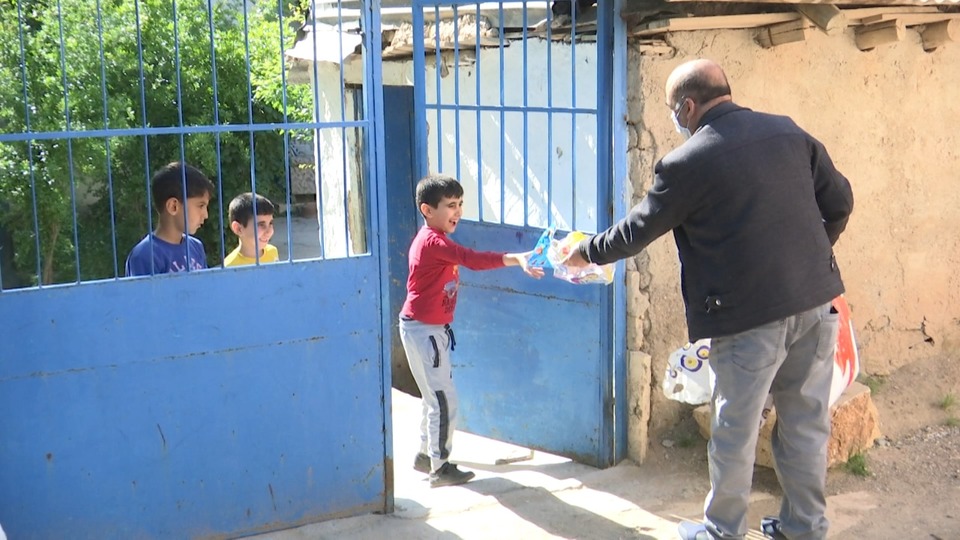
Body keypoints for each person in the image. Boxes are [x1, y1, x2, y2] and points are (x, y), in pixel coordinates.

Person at [563, 59, 854, 540]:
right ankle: (805, 529)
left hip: (746, 321)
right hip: (816, 306)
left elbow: (638, 230)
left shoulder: (687, 163)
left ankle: (722, 532)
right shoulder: (788, 133)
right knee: (805, 427)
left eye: (672, 110)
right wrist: (814, 259)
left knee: (734, 433)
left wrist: (586, 252)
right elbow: (840, 202)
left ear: (687, 106)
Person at [399, 174, 544, 488]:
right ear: (427, 209)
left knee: (432, 396)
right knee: (443, 400)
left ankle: (426, 456)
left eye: (460, 204)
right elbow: (472, 260)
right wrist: (516, 258)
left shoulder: (433, 239)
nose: (458, 211)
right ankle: (439, 467)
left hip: (422, 329)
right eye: (451, 205)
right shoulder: (434, 242)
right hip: (425, 332)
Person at [125, 162, 215, 276]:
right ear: (173, 206)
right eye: (200, 206)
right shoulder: (144, 255)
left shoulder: (196, 246)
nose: (206, 215)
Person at [223, 192, 278, 267]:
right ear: (238, 229)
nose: (269, 231)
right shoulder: (230, 266)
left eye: (270, 223)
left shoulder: (273, 252)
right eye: (261, 225)